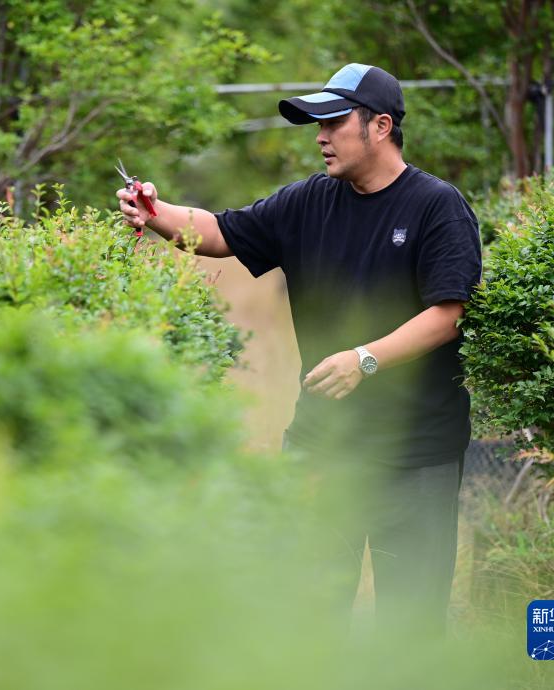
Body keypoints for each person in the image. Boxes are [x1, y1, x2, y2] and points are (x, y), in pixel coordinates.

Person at [117, 63, 482, 636]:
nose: (320, 137)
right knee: (305, 618)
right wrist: (154, 212)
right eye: (318, 125)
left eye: (334, 123)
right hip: (322, 448)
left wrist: (364, 359)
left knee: (410, 630)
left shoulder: (437, 206)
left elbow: (448, 313)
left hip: (417, 453)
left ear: (381, 126)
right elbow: (220, 232)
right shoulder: (310, 201)